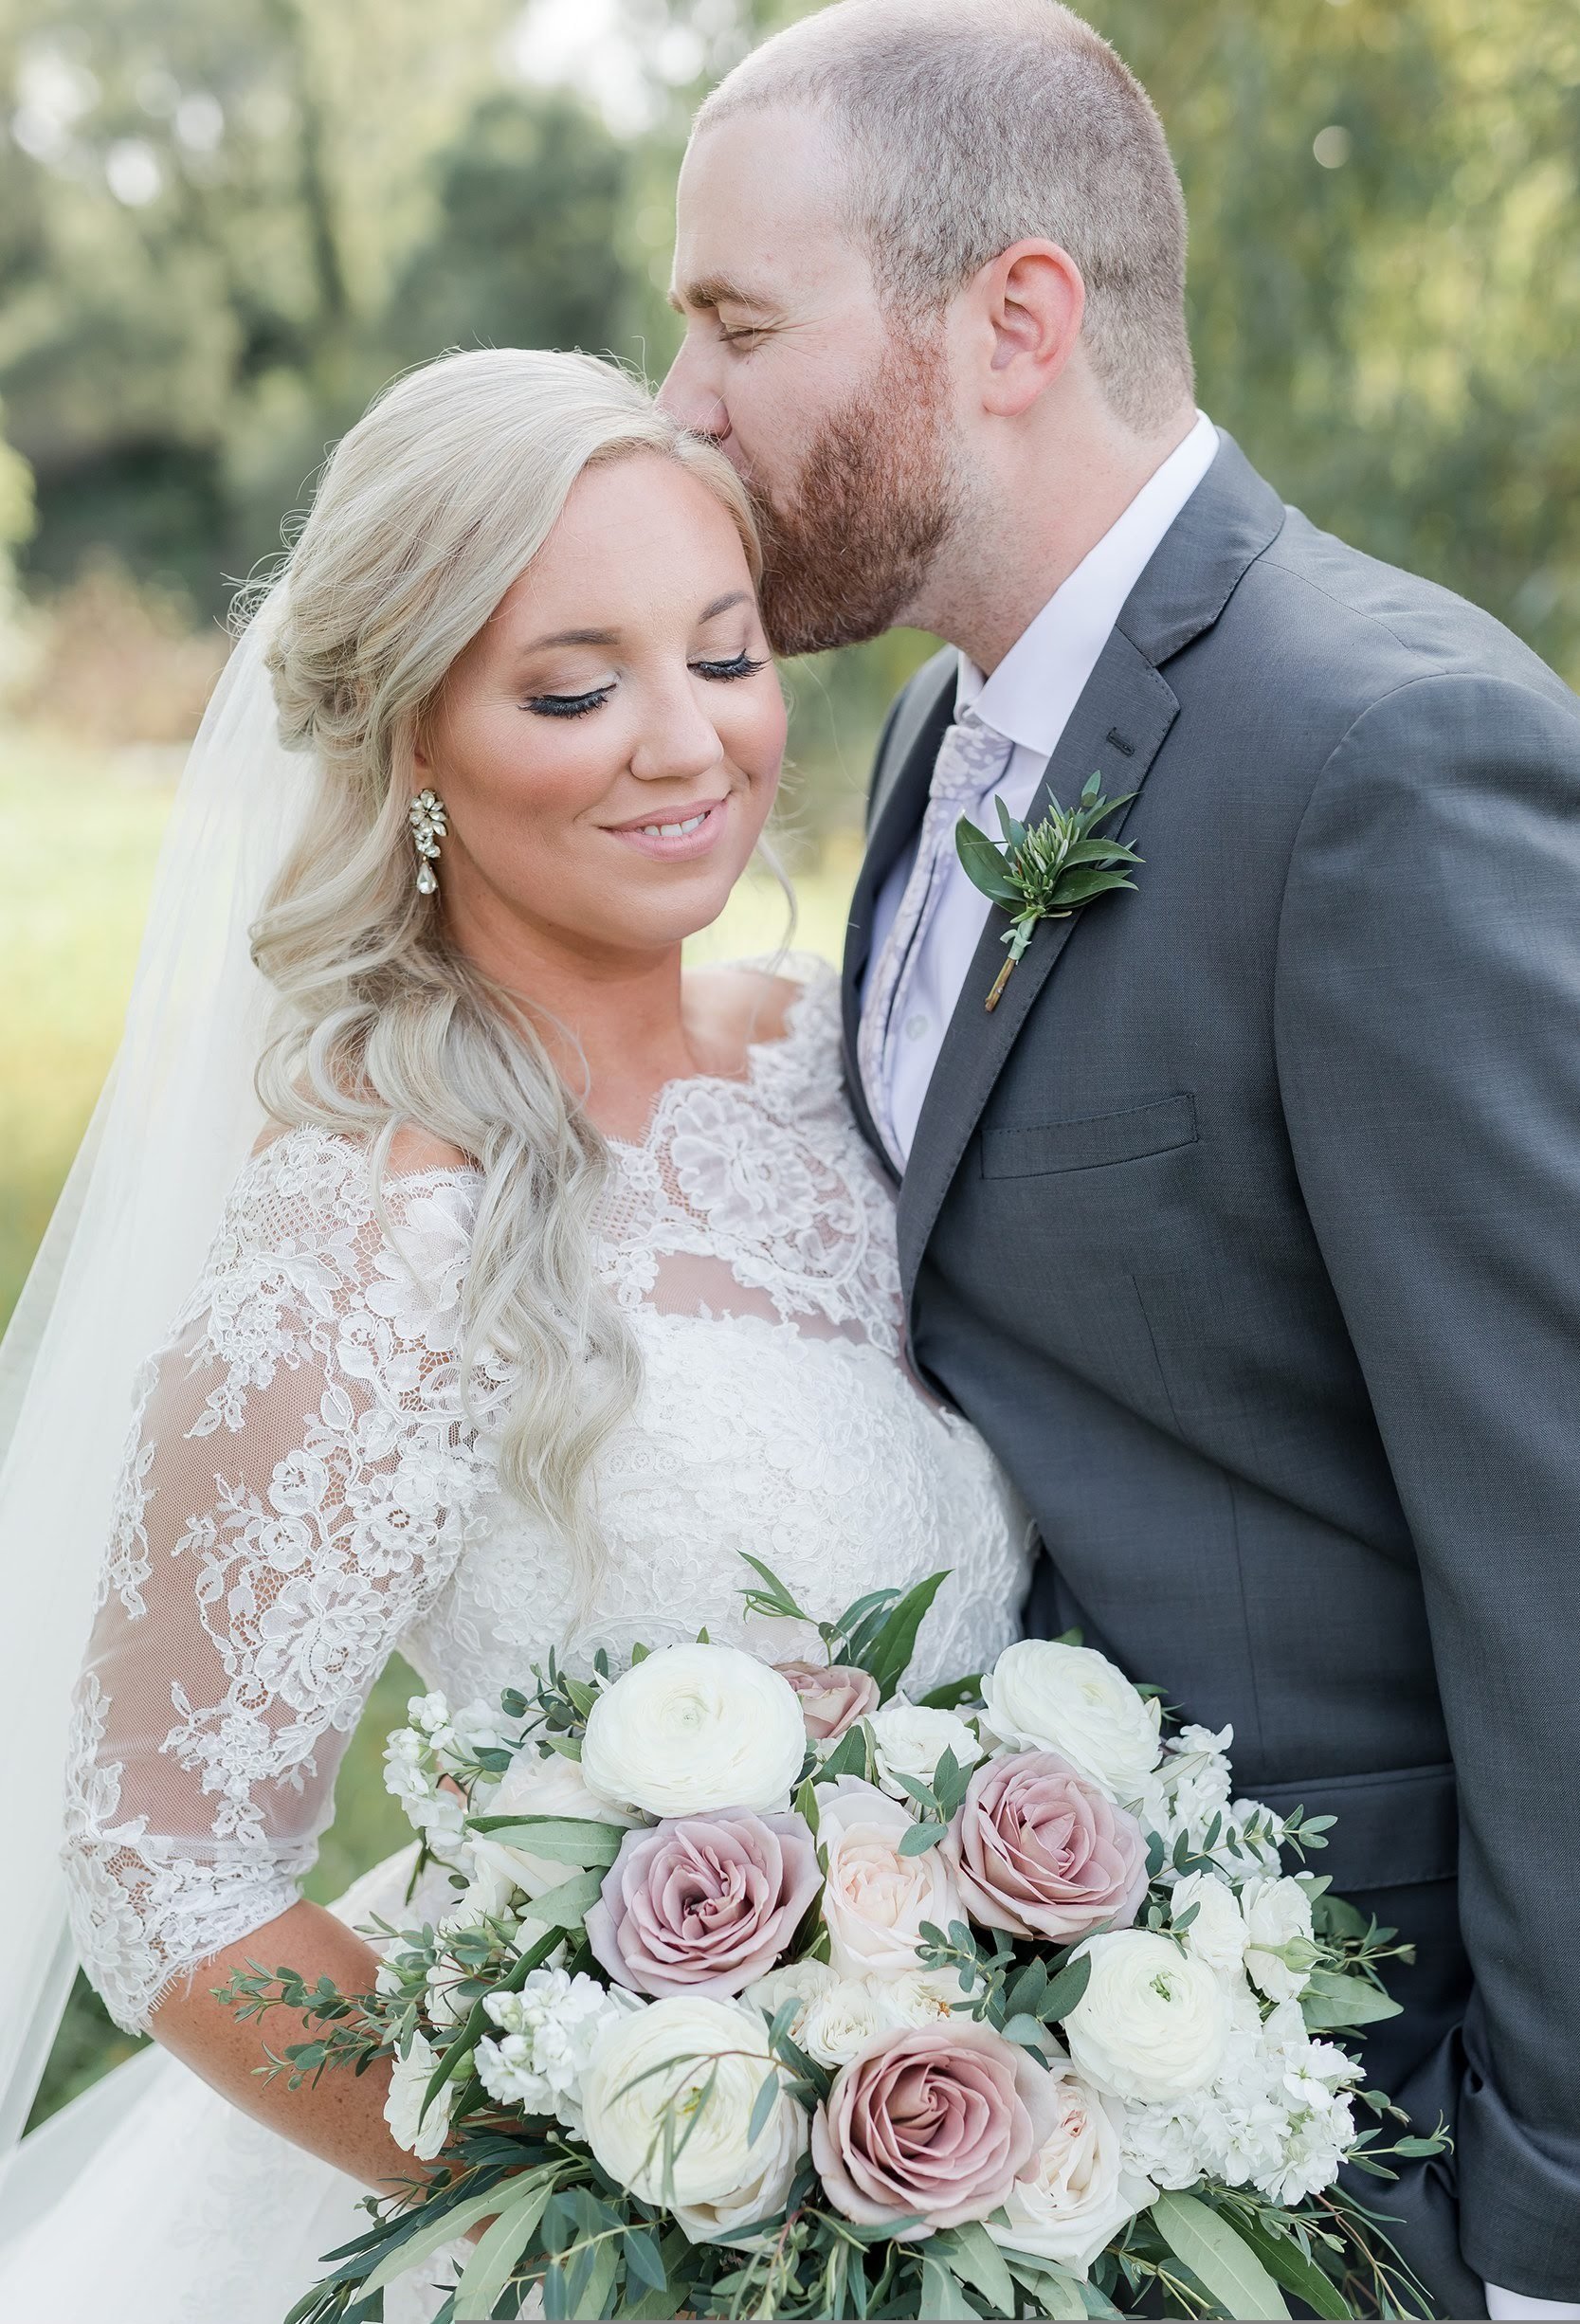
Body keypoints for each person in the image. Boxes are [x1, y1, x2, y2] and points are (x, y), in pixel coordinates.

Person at [660, 3, 1580, 2316]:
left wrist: (1544, 2233)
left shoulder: (1385, 751)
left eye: (739, 326)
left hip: (1377, 2126)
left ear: (1018, 320)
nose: (682, 406)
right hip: (1042, 2119)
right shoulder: (929, 741)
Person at [0, 347, 1028, 2321]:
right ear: (409, 746)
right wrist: (631, 2199)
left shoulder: (850, 1066)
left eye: (726, 655)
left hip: (990, 2156)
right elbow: (169, 1870)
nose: (688, 743)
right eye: (574, 687)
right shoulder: (368, 1247)